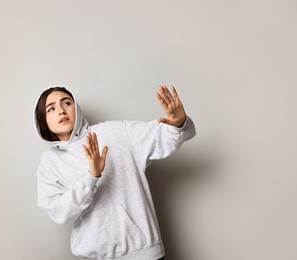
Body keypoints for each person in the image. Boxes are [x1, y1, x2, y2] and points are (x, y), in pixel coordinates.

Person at [34, 85, 196, 260]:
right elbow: (59, 212)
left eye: (66, 103)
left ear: (76, 108)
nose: (61, 111)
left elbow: (165, 135)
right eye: (51, 109)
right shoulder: (50, 162)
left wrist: (178, 123)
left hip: (143, 253)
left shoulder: (115, 132)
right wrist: (91, 177)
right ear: (44, 120)